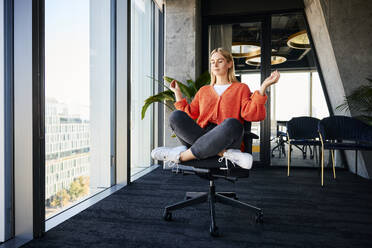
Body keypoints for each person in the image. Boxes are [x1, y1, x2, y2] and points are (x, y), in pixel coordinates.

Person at [151, 47, 280, 169]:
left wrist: (263, 87)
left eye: (220, 61)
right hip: (203, 136)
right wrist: (177, 93)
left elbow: (252, 115)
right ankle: (222, 153)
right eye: (212, 62)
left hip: (227, 137)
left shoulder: (241, 88)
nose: (215, 65)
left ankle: (181, 156)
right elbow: (189, 115)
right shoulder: (204, 91)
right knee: (176, 116)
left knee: (232, 123)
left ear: (229, 64)